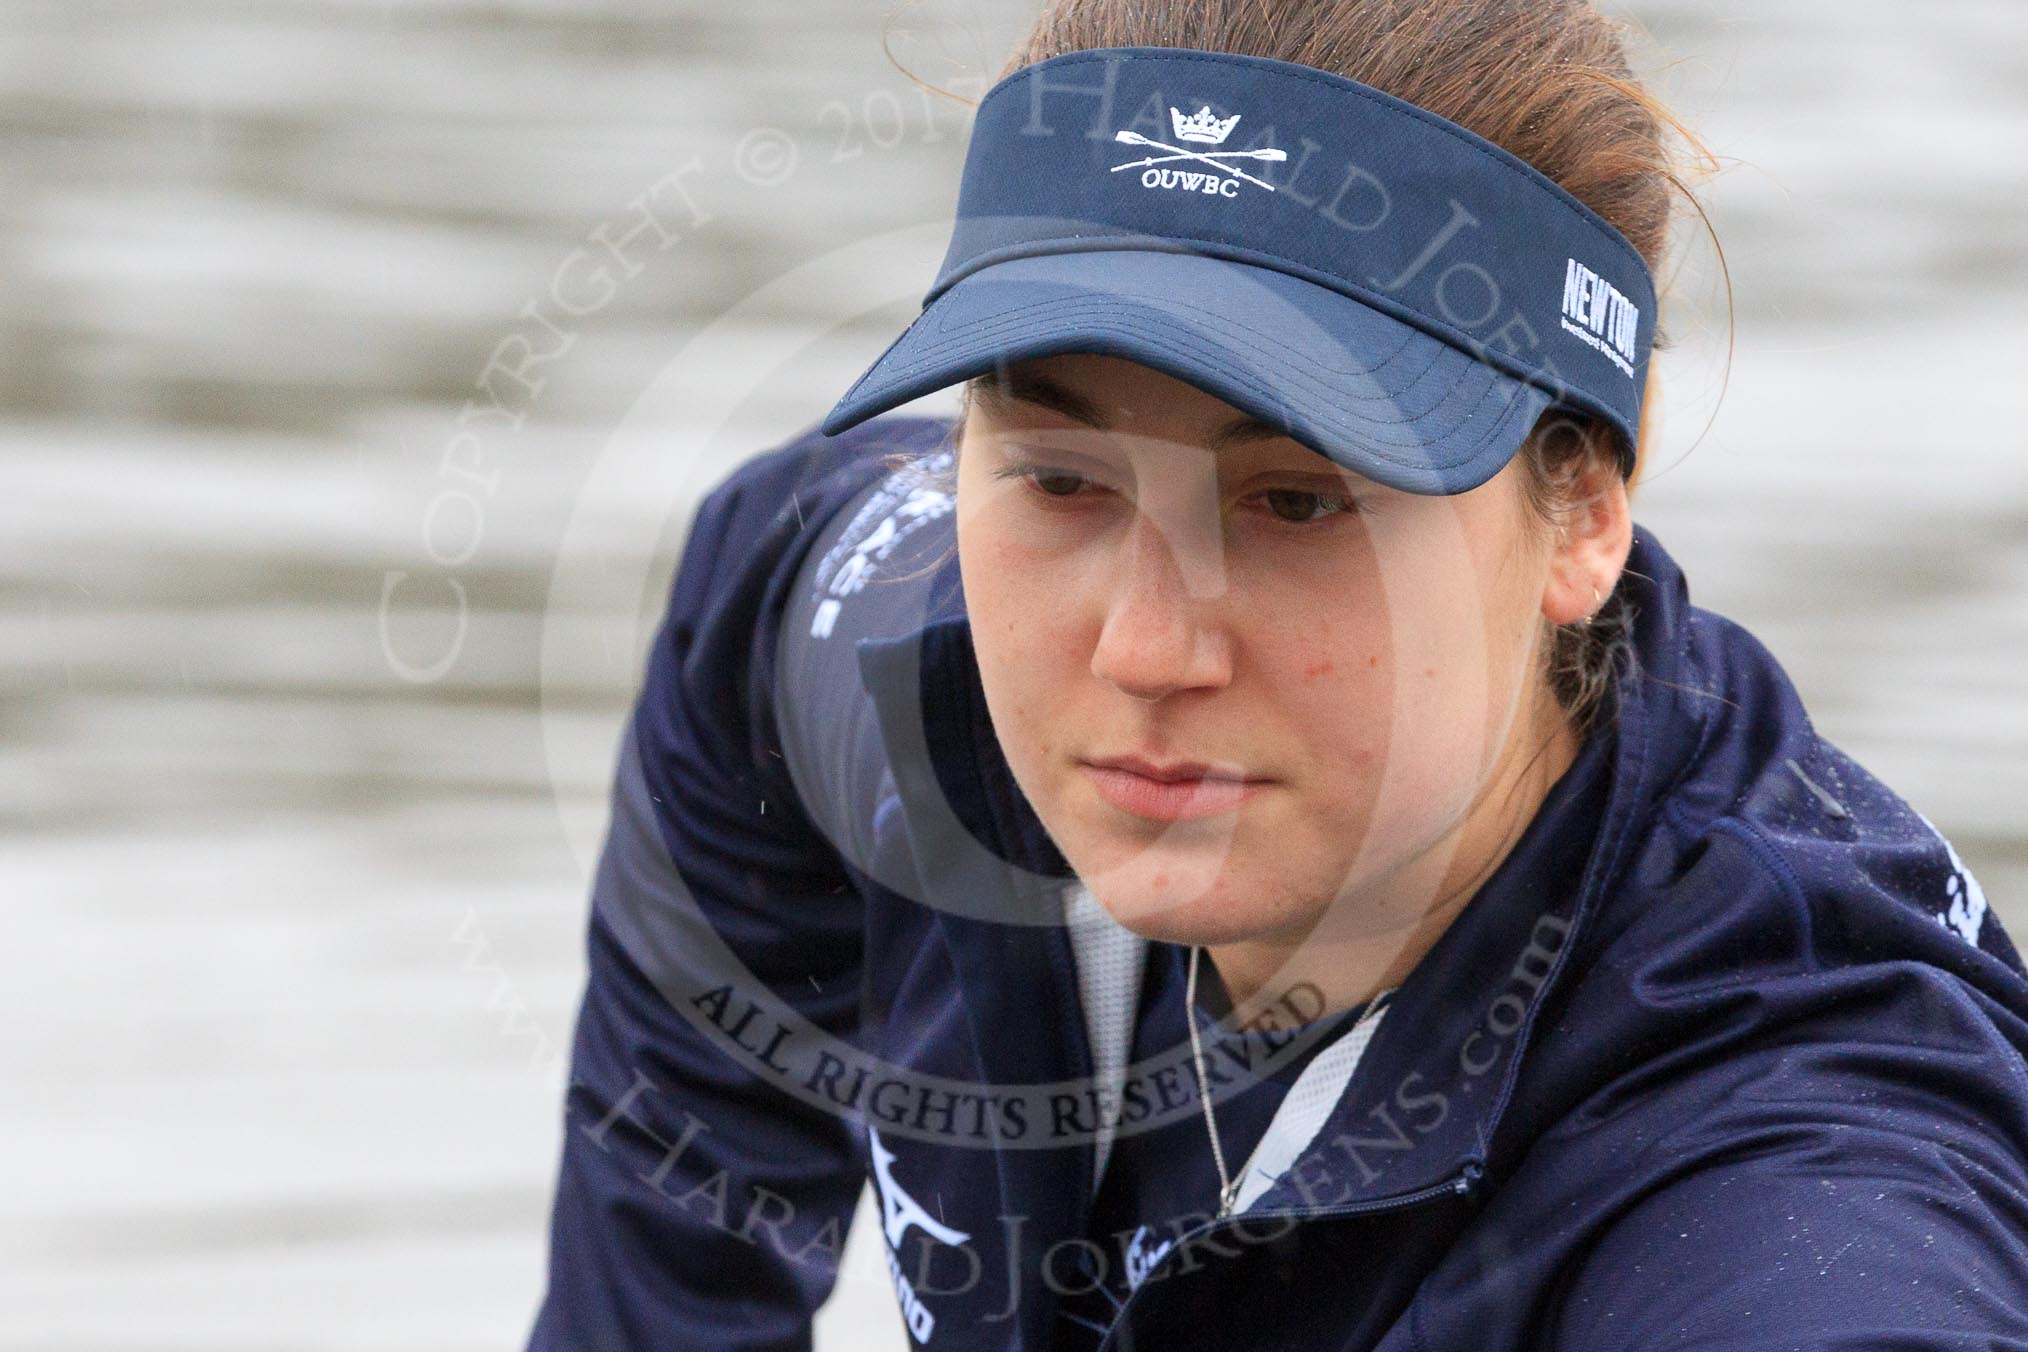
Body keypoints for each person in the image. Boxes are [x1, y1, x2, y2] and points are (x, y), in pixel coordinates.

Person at [525, 4, 2028, 1349]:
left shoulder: (1785, 1190)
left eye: (1298, 502)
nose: (1142, 650)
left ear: (1580, 510)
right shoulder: (858, 640)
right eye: (1061, 478)